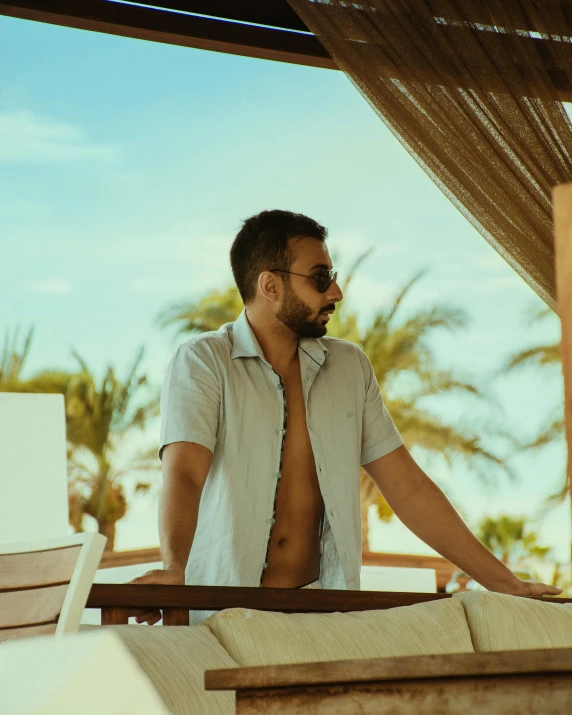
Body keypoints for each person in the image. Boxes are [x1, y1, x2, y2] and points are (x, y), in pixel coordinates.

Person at [131, 209, 561, 625]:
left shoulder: (349, 367)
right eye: (321, 278)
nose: (335, 292)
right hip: (225, 613)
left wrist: (504, 583)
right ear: (270, 286)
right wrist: (173, 568)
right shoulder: (204, 362)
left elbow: (406, 486)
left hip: (324, 614)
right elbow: (185, 472)